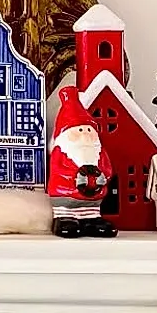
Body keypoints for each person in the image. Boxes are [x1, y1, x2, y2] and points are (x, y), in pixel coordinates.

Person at [47, 84, 115, 237]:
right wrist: (75, 176)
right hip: (66, 197)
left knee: (93, 215)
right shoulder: (62, 151)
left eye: (89, 130)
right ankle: (64, 219)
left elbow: (108, 169)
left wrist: (102, 176)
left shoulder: (98, 152)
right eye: (79, 130)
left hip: (93, 200)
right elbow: (58, 170)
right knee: (67, 220)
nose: (85, 135)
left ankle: (92, 220)